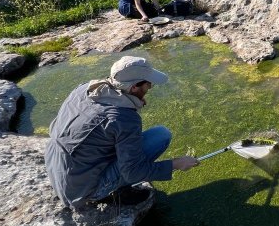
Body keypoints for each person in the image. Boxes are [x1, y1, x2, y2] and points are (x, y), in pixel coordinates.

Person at [44, 56, 199, 209]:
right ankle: (114, 192)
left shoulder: (85, 89)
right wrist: (176, 164)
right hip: (82, 192)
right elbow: (133, 172)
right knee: (161, 136)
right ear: (134, 87)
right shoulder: (123, 119)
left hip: (58, 170)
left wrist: (133, 100)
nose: (150, 87)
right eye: (148, 84)